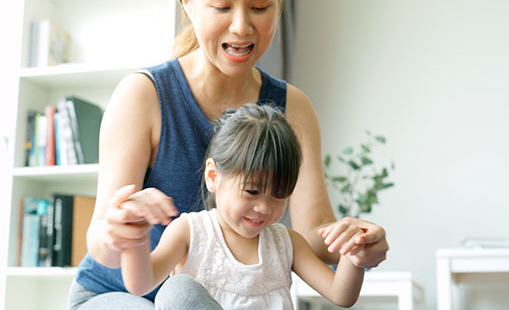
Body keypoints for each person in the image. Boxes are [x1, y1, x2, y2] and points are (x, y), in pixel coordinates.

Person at [69, 0, 388, 309]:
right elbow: (101, 246)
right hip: (121, 293)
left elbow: (314, 238)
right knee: (180, 297)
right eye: (222, 7)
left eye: (259, 7)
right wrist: (121, 230)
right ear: (187, 0)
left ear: (279, 3)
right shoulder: (143, 95)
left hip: (220, 303)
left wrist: (354, 242)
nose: (241, 27)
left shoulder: (293, 108)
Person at [121, 103, 366, 309]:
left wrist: (354, 253)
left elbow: (341, 295)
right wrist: (137, 233)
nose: (264, 207)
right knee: (177, 291)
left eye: (279, 195)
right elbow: (140, 284)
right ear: (213, 177)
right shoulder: (190, 231)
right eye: (252, 191)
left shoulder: (286, 242)